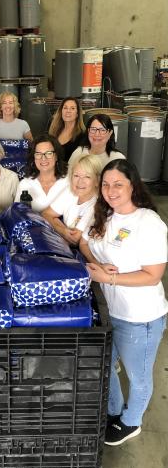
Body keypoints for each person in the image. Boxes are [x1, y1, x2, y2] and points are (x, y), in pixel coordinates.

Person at [79, 159, 167, 446]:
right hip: (111, 310)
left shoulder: (148, 222)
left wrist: (109, 279)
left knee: (138, 376)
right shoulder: (106, 215)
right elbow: (85, 243)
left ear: (133, 186)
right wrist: (99, 266)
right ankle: (113, 411)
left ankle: (131, 422)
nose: (110, 190)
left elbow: (153, 276)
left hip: (139, 317)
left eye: (118, 184)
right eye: (105, 184)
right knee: (106, 366)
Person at [41, 154, 100, 245]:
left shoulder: (97, 203)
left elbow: (75, 240)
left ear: (97, 181)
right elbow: (45, 214)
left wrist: (56, 221)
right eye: (76, 176)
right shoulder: (70, 191)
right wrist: (63, 230)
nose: (80, 182)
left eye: (87, 177)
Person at [15, 134, 68, 212]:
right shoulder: (25, 184)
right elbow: (18, 215)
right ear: (34, 158)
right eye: (38, 154)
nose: (43, 158)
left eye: (49, 153)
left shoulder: (68, 182)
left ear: (56, 156)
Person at [48, 97, 85, 162]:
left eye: (72, 108)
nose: (68, 111)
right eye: (65, 108)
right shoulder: (53, 128)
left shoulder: (82, 136)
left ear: (77, 114)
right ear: (61, 111)